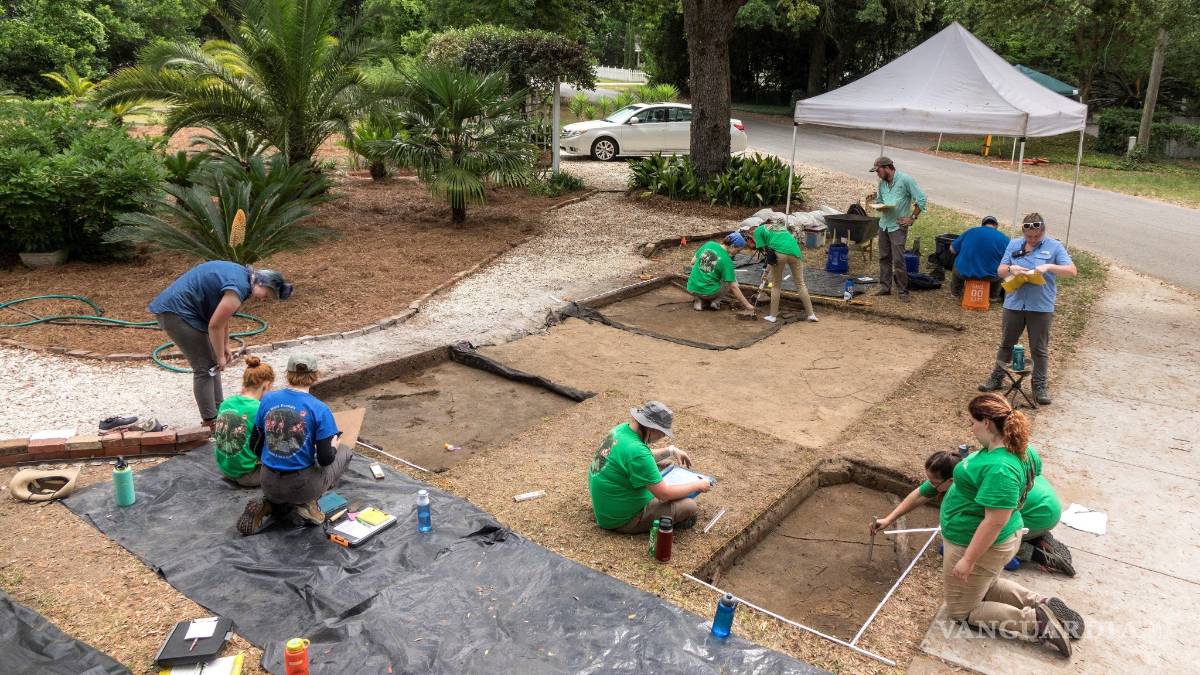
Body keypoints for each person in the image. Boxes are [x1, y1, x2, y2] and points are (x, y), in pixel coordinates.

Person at [915, 393, 1083, 657]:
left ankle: (1035, 623)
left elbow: (994, 521)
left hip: (980, 542)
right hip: (1004, 537)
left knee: (961, 610)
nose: (970, 427)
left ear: (986, 422)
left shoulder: (1000, 467)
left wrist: (968, 559)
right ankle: (1041, 603)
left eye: (972, 421)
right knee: (987, 584)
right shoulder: (1019, 449)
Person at [872, 448, 1074, 576]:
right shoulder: (966, 467)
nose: (930, 485)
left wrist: (967, 556)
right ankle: (1036, 537)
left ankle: (1032, 552)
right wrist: (889, 519)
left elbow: (991, 524)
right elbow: (919, 495)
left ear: (951, 481)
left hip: (1039, 513)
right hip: (1045, 502)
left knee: (956, 548)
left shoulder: (966, 490)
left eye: (934, 482)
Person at [149, 262, 293, 426]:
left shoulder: (243, 278)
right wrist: (220, 356)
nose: (264, 299)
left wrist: (225, 345)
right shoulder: (238, 288)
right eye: (267, 294)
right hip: (177, 313)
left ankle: (219, 412)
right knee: (204, 368)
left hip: (185, 311)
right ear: (261, 283)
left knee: (212, 366)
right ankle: (210, 422)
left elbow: (223, 318)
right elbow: (215, 326)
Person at [236, 354, 350, 535]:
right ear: (316, 375)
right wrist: (334, 446)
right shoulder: (320, 408)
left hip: (268, 481)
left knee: (281, 480)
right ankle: (308, 503)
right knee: (344, 451)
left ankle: (270, 503)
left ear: (287, 374)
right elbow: (325, 459)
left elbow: (254, 444)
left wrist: (273, 458)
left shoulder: (268, 399)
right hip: (302, 486)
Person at [979, 213, 1077, 405]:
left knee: (1039, 348)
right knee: (1007, 344)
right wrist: (1012, 270)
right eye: (1028, 236)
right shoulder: (1014, 244)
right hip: (1014, 303)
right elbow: (1000, 270)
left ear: (1043, 232)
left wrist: (1049, 267)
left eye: (1036, 237)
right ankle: (997, 377)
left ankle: (1039, 386)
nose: (1032, 240)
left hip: (1041, 306)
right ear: (1023, 232)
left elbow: (1072, 271)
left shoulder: (1055, 247)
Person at [588, 401, 712, 534]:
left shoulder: (621, 430)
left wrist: (671, 450)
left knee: (665, 465)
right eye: (663, 432)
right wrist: (697, 485)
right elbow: (664, 495)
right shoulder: (637, 452)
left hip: (608, 503)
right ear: (652, 428)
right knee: (689, 506)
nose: (663, 436)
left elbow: (638, 458)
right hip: (620, 519)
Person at [212, 355, 275, 488]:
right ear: (267, 385)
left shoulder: (226, 403)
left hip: (226, 469)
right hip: (248, 475)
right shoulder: (260, 409)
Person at [868, 157, 926, 302]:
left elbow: (922, 199)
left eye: (878, 171)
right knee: (884, 257)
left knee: (898, 260)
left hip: (898, 226)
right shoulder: (882, 184)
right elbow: (880, 200)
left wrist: (912, 218)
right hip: (884, 224)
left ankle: (902, 291)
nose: (877, 174)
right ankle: (885, 287)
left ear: (887, 168)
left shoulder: (905, 180)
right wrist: (878, 205)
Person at [752, 217, 817, 323]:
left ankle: (773, 316)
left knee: (776, 285)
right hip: (795, 252)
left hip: (779, 253)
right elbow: (772, 253)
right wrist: (767, 272)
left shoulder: (758, 230)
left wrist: (766, 272)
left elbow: (769, 255)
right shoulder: (780, 227)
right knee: (800, 284)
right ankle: (811, 314)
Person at [686, 233, 756, 313]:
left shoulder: (709, 244)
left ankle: (698, 300)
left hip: (692, 288)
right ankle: (715, 302)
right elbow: (733, 286)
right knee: (730, 280)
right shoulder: (727, 261)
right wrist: (748, 305)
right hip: (708, 293)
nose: (738, 252)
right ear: (732, 246)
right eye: (738, 250)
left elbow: (692, 262)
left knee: (702, 273)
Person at [949, 215, 1009, 300]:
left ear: (983, 224)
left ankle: (955, 293)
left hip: (964, 273)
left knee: (957, 263)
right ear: (996, 226)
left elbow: (952, 249)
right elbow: (1009, 259)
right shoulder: (1004, 238)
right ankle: (993, 296)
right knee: (1002, 269)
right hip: (990, 277)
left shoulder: (971, 231)